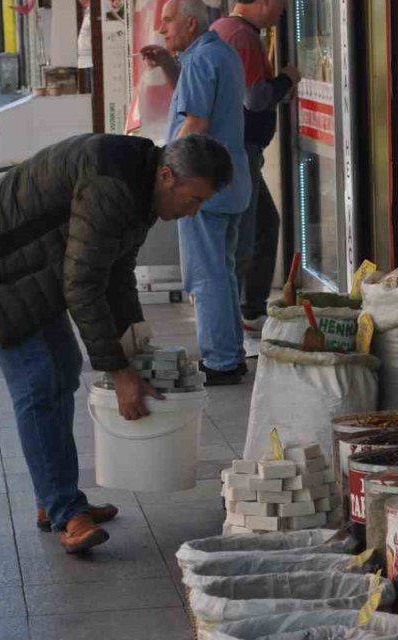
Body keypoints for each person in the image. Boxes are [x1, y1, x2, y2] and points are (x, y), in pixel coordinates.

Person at [0, 134, 233, 554]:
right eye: (194, 199)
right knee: (39, 382)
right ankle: (65, 511)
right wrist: (119, 372)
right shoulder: (113, 185)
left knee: (63, 367)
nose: (194, 212)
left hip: (31, 265)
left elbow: (117, 269)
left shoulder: (144, 183)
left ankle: (53, 497)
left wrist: (134, 338)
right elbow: (83, 285)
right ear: (168, 175)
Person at [141, 0, 251, 386]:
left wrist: (164, 169)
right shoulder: (220, 52)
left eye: (168, 21)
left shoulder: (203, 60)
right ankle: (231, 355)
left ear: (190, 23)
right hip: (229, 183)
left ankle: (220, 361)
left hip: (202, 187)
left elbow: (197, 122)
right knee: (223, 273)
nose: (162, 28)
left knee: (207, 277)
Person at [211, 0, 298, 357]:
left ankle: (248, 313)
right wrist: (287, 79)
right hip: (241, 151)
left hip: (240, 151)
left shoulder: (226, 31)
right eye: (278, 3)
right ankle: (243, 321)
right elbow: (256, 98)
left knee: (263, 227)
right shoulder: (241, 36)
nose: (282, 10)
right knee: (245, 240)